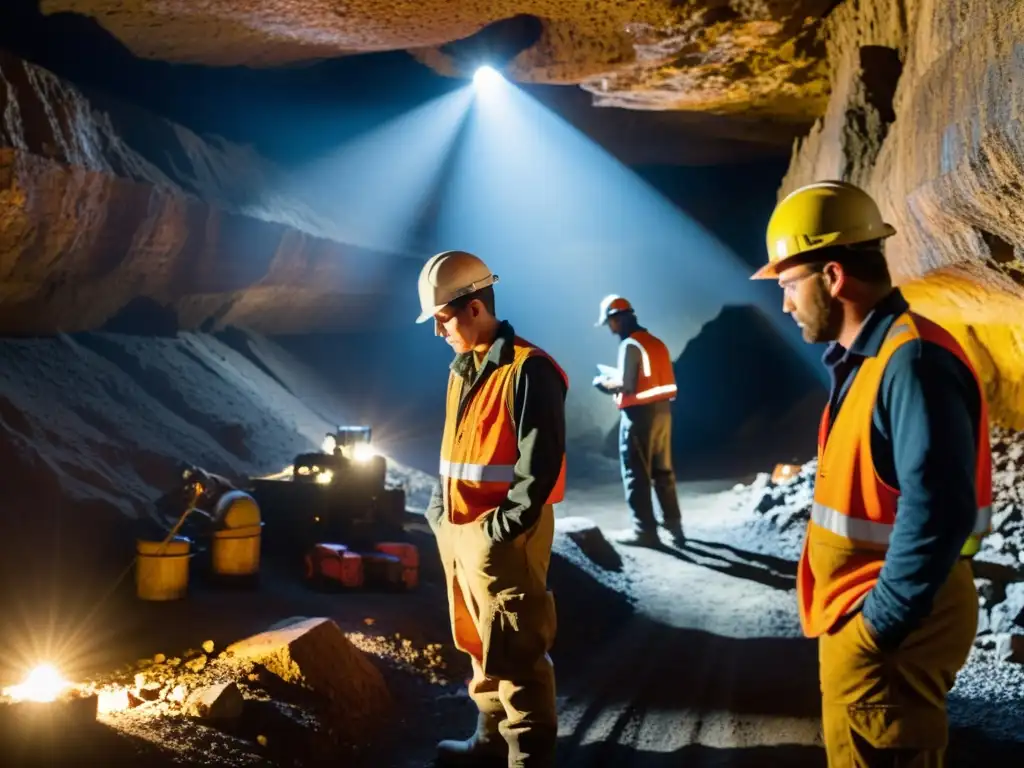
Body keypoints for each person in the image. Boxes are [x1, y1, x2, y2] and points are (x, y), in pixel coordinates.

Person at [752, 180, 992, 766]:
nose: (785, 303)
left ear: (832, 277)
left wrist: (878, 627)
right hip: (867, 611)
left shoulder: (912, 362)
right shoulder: (874, 360)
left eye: (789, 284)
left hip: (891, 621)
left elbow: (939, 510)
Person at [417, 250, 568, 767]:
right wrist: (441, 513)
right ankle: (487, 741)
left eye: (441, 319)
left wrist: (497, 532)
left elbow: (537, 469)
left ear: (474, 307)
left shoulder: (530, 371)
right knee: (480, 645)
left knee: (519, 653)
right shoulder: (464, 369)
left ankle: (527, 757)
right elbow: (454, 452)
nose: (438, 333)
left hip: (502, 539)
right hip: (461, 533)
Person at [592, 295, 684, 548]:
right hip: (663, 413)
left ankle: (645, 532)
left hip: (639, 417)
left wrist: (603, 384)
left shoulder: (630, 345)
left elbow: (628, 384)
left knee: (636, 473)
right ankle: (675, 528)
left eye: (610, 323)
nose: (610, 329)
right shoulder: (655, 342)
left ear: (617, 318)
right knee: (663, 471)